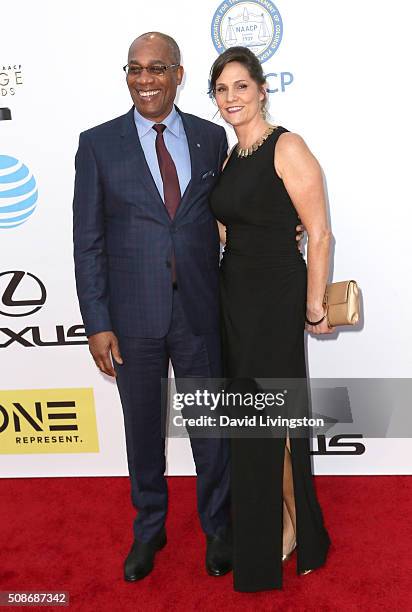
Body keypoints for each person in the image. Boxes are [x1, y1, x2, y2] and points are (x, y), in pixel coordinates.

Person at [73, 32, 304, 583]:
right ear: (127, 75)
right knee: (142, 431)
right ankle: (149, 529)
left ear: (178, 74)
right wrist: (98, 323)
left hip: (202, 313)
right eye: (134, 69)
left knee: (211, 430)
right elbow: (88, 243)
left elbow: (229, 209)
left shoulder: (208, 138)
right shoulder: (98, 144)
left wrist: (280, 230)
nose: (145, 79)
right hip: (132, 321)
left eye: (157, 68)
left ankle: (218, 528)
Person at [209, 46, 332, 592]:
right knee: (251, 423)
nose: (232, 98)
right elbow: (233, 222)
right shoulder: (232, 156)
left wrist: (313, 304)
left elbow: (320, 231)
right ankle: (281, 523)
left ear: (262, 89)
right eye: (221, 90)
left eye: (241, 86)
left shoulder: (289, 146)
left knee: (273, 422)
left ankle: (295, 525)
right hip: (234, 298)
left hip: (277, 300)